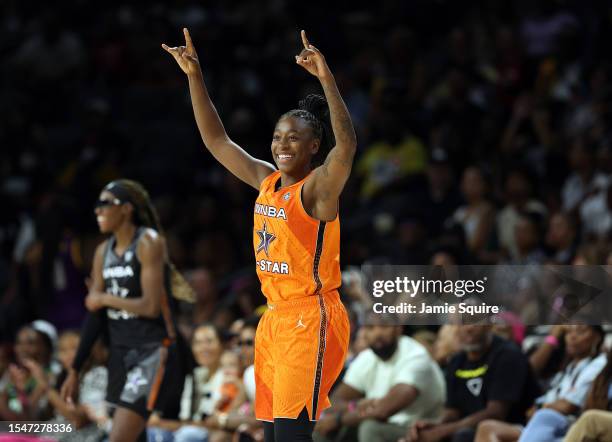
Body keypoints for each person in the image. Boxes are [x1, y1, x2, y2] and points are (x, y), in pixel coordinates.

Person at [162, 27, 356, 442]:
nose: (282, 144)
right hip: (274, 320)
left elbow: (348, 148)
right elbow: (217, 141)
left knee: (290, 436)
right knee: (269, 435)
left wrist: (326, 80)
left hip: (311, 316)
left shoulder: (318, 190)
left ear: (313, 147)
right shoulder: (266, 180)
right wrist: (194, 76)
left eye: (294, 138)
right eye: (277, 136)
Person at [60, 179, 194, 442]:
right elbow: (95, 314)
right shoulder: (102, 252)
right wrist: (75, 368)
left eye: (104, 204)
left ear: (126, 209)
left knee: (118, 438)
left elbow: (150, 305)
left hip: (153, 351)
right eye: (96, 205)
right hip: (120, 353)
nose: (98, 211)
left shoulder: (148, 242)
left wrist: (104, 298)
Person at [406, 325, 540, 442]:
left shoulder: (508, 356)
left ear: (489, 325)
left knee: (463, 435)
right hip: (465, 429)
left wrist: (442, 431)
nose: (468, 328)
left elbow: (496, 413)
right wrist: (433, 426)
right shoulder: (456, 361)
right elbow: (453, 411)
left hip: (512, 428)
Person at [314, 325, 446, 442]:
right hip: (377, 422)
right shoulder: (367, 358)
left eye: (383, 326)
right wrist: (356, 405)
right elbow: (333, 403)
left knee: (370, 428)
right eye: (371, 328)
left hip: (418, 430)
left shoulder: (416, 356)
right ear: (364, 332)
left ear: (398, 329)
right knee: (321, 429)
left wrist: (338, 420)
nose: (377, 333)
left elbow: (384, 410)